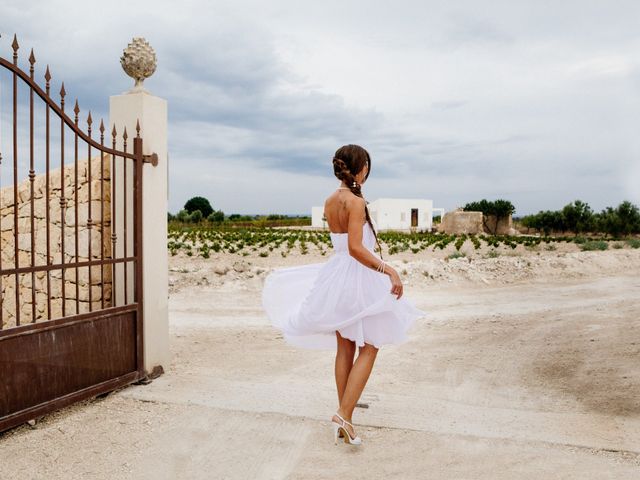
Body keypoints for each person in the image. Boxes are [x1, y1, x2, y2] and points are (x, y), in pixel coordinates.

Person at [261, 144, 427, 446]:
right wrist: (389, 269)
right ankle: (344, 414)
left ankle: (345, 416)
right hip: (356, 275)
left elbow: (343, 246)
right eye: (367, 167)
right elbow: (355, 248)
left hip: (336, 275)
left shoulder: (329, 201)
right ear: (360, 168)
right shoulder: (356, 202)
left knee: (345, 347)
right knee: (372, 345)